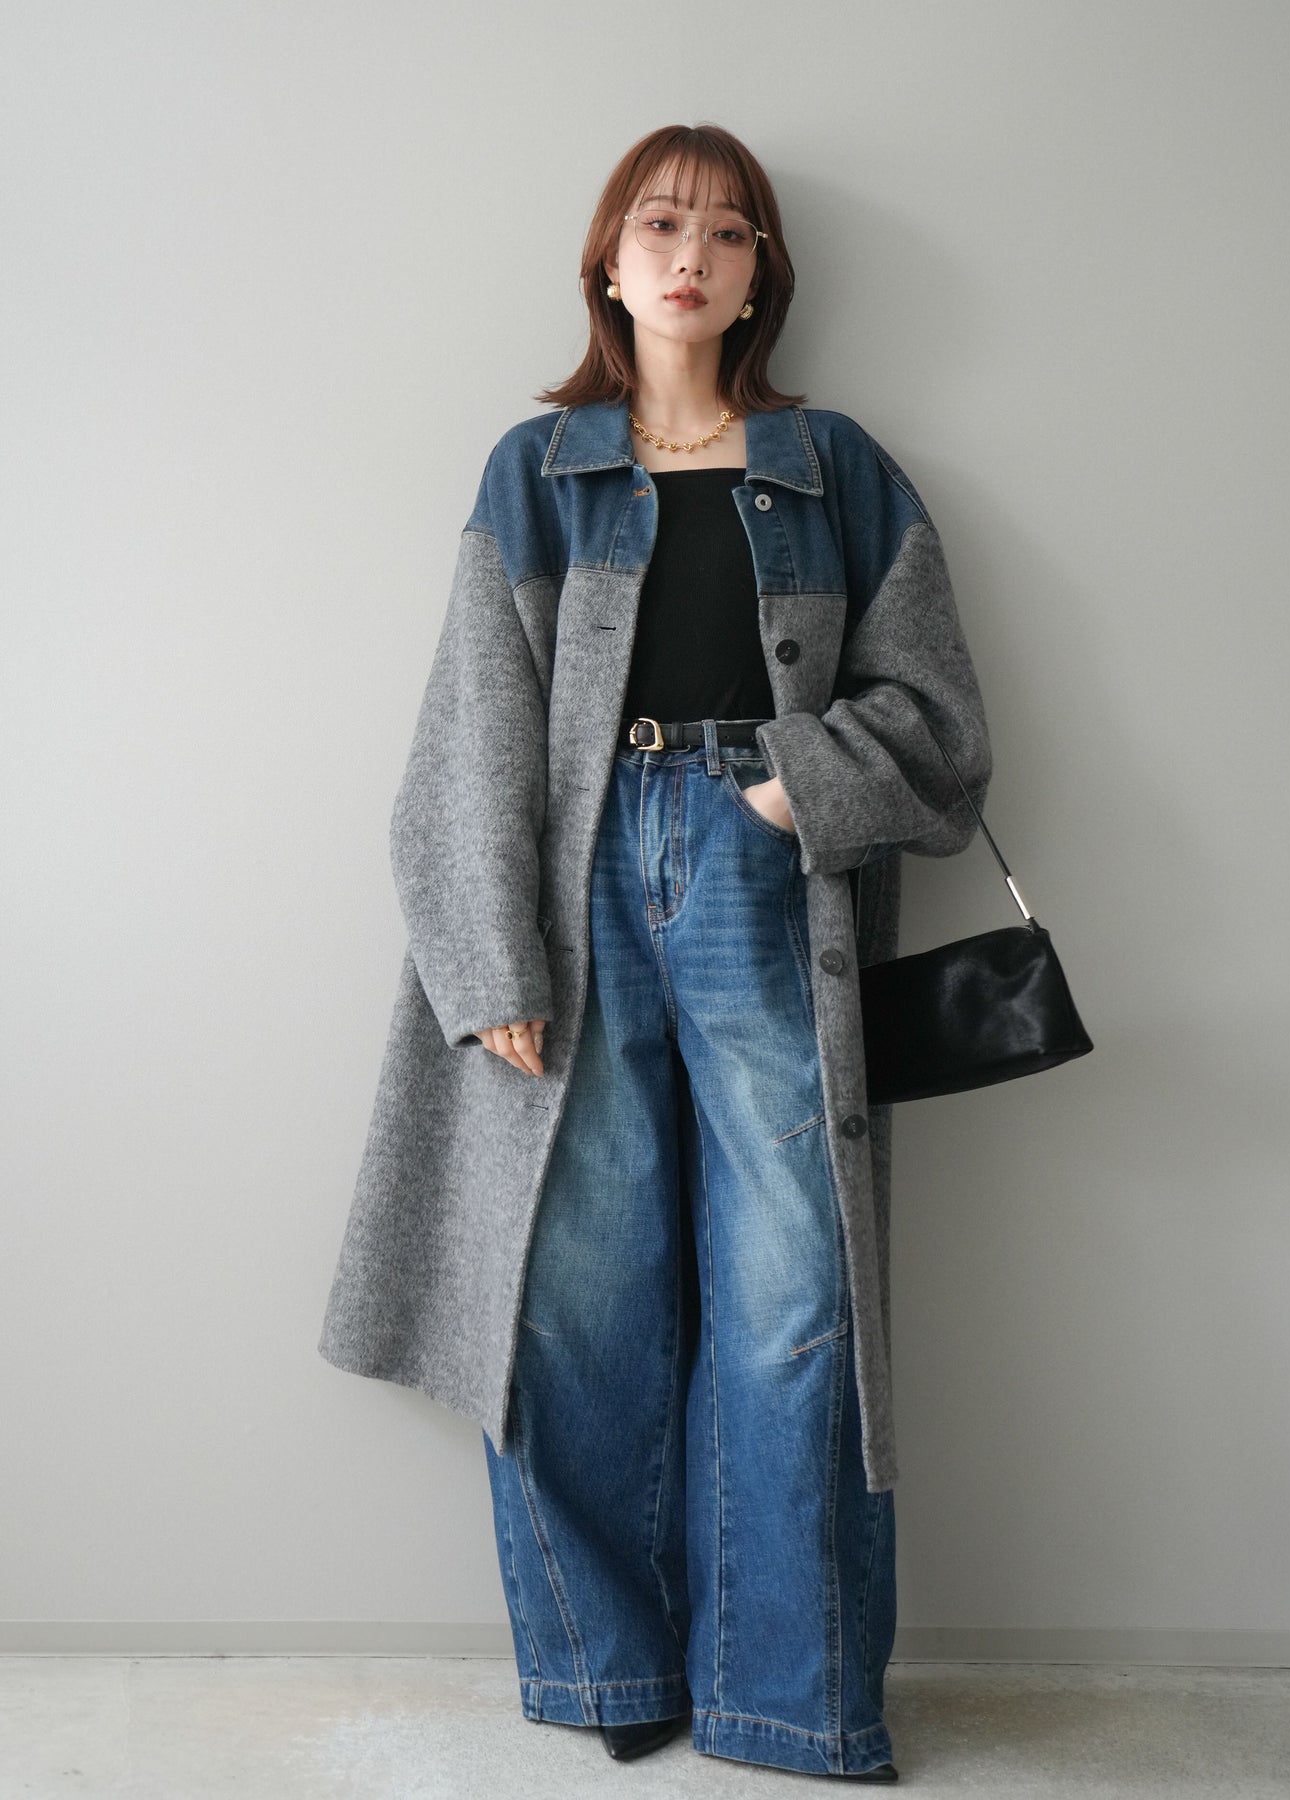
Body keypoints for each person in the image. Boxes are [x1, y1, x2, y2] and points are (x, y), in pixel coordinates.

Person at [318, 121, 994, 1784]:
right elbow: (471, 730)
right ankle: (607, 1670)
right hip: (578, 887)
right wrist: (489, 962)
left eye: (728, 231)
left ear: (760, 277)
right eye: (659, 224)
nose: (692, 254)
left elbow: (938, 723)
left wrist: (785, 785)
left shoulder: (833, 467)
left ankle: (787, 1698)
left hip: (768, 871)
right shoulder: (537, 472)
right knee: (574, 1290)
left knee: (795, 1296)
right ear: (607, 266)